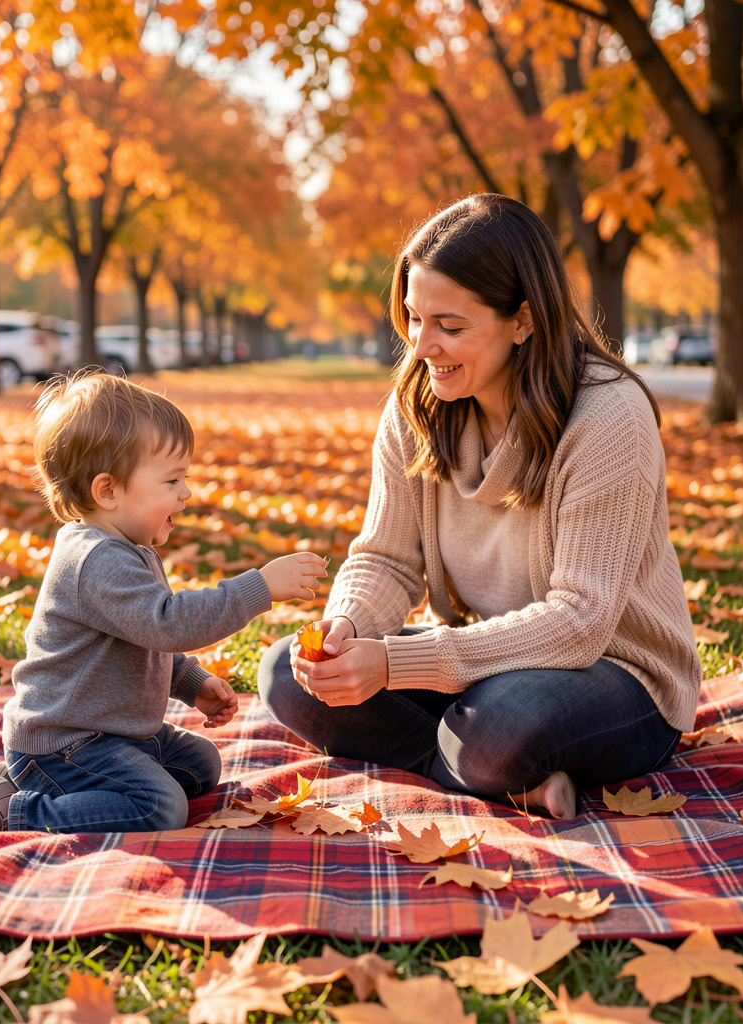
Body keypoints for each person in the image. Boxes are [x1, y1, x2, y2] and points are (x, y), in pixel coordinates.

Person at [258, 194, 701, 820]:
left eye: (450, 326)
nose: (420, 346)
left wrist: (396, 664)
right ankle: (505, 779)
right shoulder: (417, 406)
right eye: (413, 318)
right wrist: (348, 632)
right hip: (483, 665)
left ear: (523, 321)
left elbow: (580, 622)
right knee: (288, 675)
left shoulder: (608, 419)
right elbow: (386, 558)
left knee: (500, 726)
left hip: (616, 674)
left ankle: (485, 762)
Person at [0, 370, 327, 835]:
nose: (187, 493)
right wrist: (258, 588)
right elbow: (168, 624)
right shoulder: (96, 559)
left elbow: (141, 637)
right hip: (66, 741)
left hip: (116, 734)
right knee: (160, 809)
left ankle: (47, 787)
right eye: (172, 480)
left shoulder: (128, 549)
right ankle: (15, 811)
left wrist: (189, 681)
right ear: (108, 491)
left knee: (201, 764)